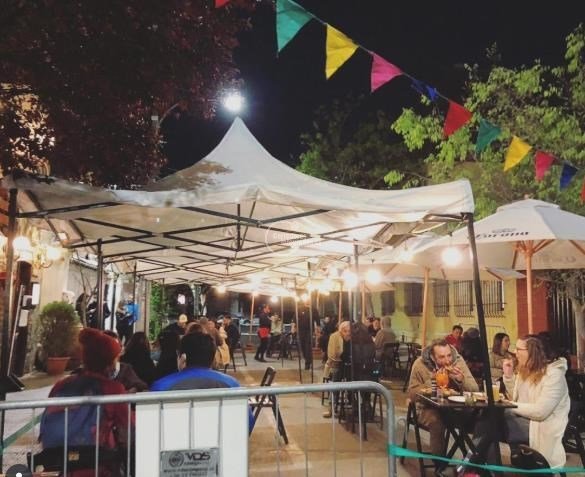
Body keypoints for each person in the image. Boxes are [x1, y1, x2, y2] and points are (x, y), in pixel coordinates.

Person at [470, 335, 570, 471]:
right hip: (521, 422)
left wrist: (509, 405)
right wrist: (509, 376)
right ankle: (476, 466)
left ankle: (470, 465)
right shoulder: (525, 371)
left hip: (538, 427)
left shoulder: (554, 376)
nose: (514, 352)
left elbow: (540, 412)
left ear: (532, 352)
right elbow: (516, 399)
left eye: (518, 349)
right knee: (488, 426)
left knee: (490, 422)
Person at [39, 328, 130, 476]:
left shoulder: (62, 385)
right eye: (115, 359)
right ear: (108, 363)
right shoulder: (113, 389)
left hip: (64, 462)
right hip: (99, 464)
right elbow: (125, 430)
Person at [150, 331, 254, 431]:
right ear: (212, 357)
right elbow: (247, 423)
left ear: (183, 357)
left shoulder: (161, 386)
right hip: (221, 442)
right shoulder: (232, 384)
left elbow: (151, 425)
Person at [408, 339, 478, 468]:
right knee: (437, 421)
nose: (447, 361)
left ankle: (474, 463)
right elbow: (412, 393)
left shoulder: (458, 361)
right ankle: (439, 465)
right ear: (432, 357)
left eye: (449, 355)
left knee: (480, 419)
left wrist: (461, 380)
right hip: (426, 409)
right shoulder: (420, 364)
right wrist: (433, 382)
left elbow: (474, 389)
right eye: (441, 357)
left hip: (455, 408)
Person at [322, 321, 351, 418]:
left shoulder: (352, 338)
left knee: (355, 376)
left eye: (349, 331)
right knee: (336, 377)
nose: (348, 334)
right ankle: (332, 406)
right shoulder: (334, 337)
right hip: (335, 364)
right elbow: (331, 355)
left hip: (348, 366)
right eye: (346, 331)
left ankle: (354, 403)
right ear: (341, 330)